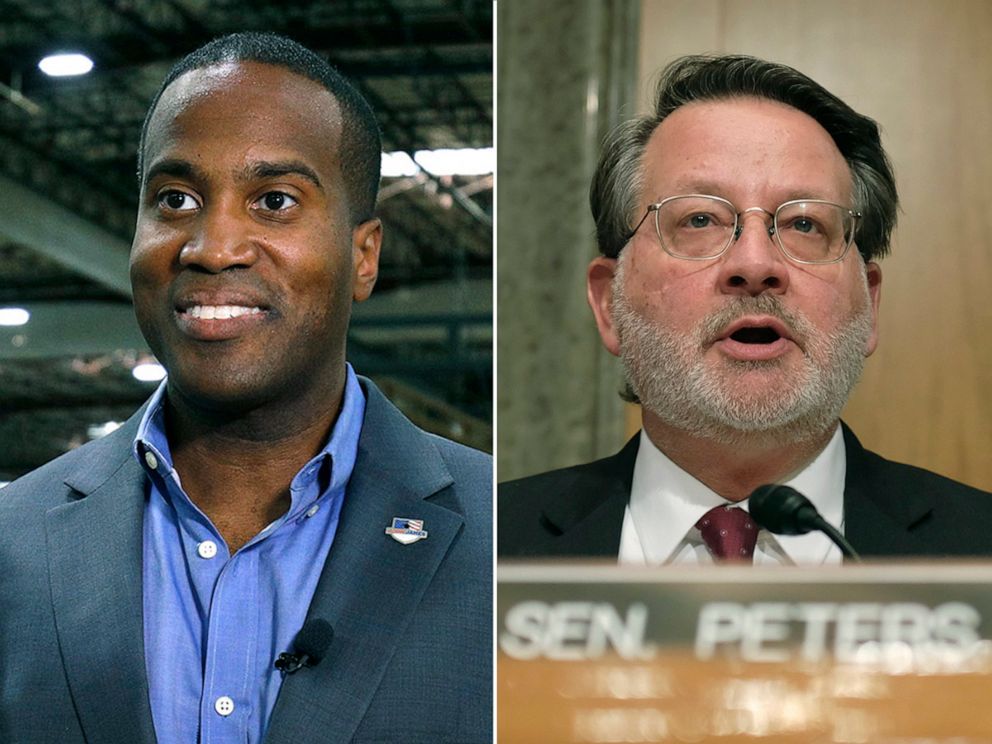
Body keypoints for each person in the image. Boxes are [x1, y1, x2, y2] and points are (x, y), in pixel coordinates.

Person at [0, 33, 491, 743]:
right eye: (174, 198)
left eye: (274, 201)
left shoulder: (507, 551)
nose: (213, 246)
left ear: (363, 256)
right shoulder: (15, 546)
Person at [499, 54, 992, 564]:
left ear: (869, 303)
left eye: (805, 224)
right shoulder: (495, 545)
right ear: (608, 303)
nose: (755, 265)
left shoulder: (978, 552)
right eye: (699, 219)